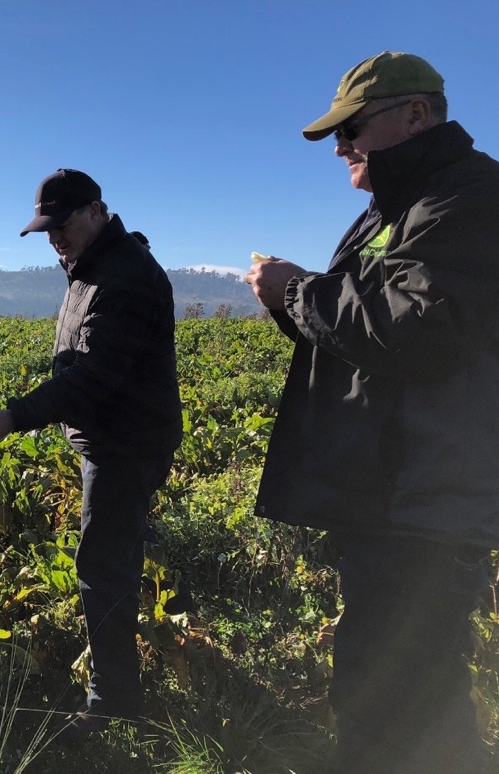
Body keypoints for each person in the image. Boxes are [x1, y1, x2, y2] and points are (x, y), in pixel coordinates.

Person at [244, 51, 499, 774]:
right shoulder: (396, 209)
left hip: (425, 502)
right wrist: (292, 302)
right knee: (417, 701)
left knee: (388, 701)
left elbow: (422, 330)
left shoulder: (469, 196)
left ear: (416, 115)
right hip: (389, 498)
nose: (341, 147)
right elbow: (367, 339)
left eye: (351, 127)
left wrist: (298, 292)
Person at [0, 169, 183, 739]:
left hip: (124, 445)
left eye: (62, 225)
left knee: (102, 566)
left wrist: (14, 416)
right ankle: (124, 668)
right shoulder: (92, 264)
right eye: (46, 229)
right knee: (116, 550)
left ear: (95, 211)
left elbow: (93, 376)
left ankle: (113, 703)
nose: (54, 238)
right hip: (113, 438)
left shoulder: (124, 276)